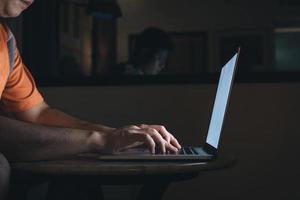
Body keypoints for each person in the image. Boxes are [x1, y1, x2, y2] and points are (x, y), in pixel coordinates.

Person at [0, 0, 181, 199]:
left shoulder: (5, 40)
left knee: (77, 185)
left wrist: (116, 135)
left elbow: (38, 113)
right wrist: (99, 140)